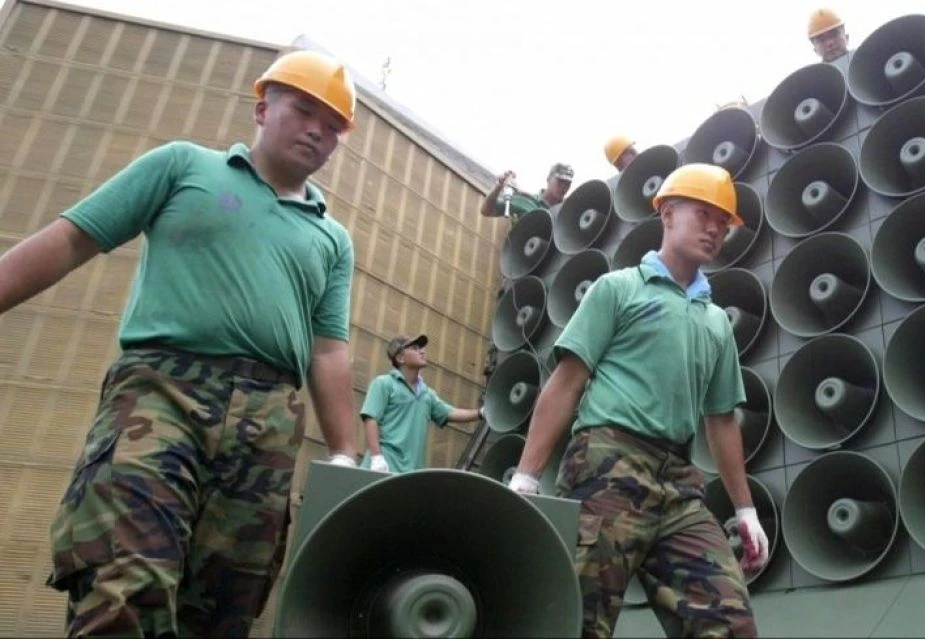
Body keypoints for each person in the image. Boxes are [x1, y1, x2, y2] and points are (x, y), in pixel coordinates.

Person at [0, 49, 365, 637]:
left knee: (225, 604)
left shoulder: (331, 238)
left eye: (334, 125)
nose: (319, 130)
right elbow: (69, 241)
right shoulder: (183, 167)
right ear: (262, 107)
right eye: (304, 110)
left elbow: (328, 350)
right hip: (161, 393)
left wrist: (347, 454)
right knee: (127, 576)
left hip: (269, 422)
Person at [506, 162, 770, 638]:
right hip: (607, 464)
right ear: (667, 213)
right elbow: (567, 383)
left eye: (723, 222)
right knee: (578, 620)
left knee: (729, 622)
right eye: (703, 212)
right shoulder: (619, 289)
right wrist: (526, 474)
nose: (715, 228)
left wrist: (745, 509)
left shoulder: (715, 324)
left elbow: (722, 421)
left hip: (680, 482)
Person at [361, 334, 486, 473]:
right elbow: (371, 419)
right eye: (415, 348)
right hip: (384, 466)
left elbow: (450, 413)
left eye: (421, 348)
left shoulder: (427, 394)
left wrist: (482, 413)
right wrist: (377, 458)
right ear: (400, 358)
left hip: (410, 474)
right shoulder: (384, 383)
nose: (422, 351)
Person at [478, 162, 574, 220]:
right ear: (548, 178)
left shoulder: (565, 213)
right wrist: (498, 187)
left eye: (567, 184)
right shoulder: (526, 201)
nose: (564, 187)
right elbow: (486, 211)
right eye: (560, 181)